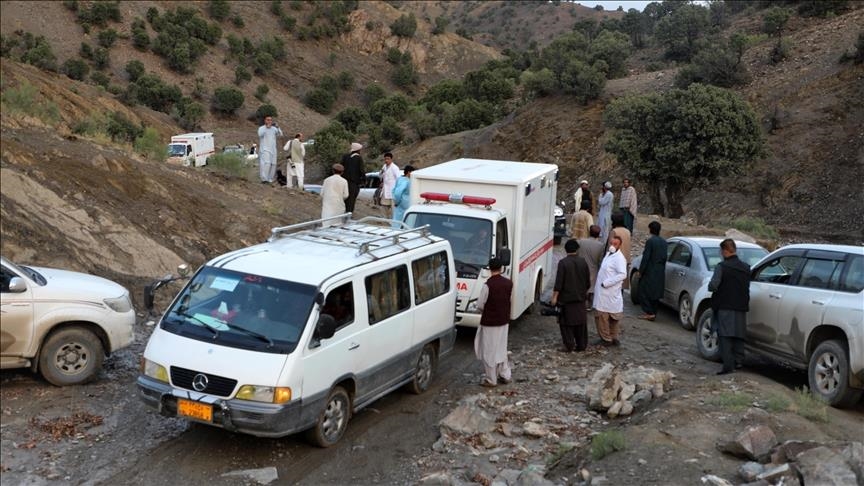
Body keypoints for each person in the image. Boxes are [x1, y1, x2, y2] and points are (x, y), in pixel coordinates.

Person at [708, 239, 750, 375]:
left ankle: (728, 366)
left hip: (725, 305)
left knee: (725, 335)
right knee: (738, 334)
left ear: (725, 251)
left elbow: (713, 285)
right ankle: (738, 361)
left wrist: (711, 287)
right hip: (741, 306)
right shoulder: (746, 267)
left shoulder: (722, 267)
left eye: (721, 251)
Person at [475, 257, 513, 388]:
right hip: (504, 321)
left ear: (489, 269)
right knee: (501, 348)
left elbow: (480, 304)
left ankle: (491, 379)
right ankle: (505, 374)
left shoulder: (487, 285)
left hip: (490, 322)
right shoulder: (509, 283)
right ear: (502, 268)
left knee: (489, 350)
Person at [551, 239, 591, 352]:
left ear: (565, 250)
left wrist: (554, 298)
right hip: (580, 300)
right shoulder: (583, 262)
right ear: (577, 250)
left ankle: (569, 345)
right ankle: (581, 345)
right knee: (581, 324)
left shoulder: (563, 263)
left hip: (566, 301)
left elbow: (558, 283)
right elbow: (588, 282)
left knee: (566, 324)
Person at [593, 235, 627, 346]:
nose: (612, 246)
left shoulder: (619, 258)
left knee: (608, 317)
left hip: (609, 290)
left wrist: (607, 283)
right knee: (605, 316)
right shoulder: (609, 254)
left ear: (620, 245)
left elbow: (623, 274)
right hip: (604, 292)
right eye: (611, 243)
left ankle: (608, 338)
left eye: (615, 244)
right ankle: (610, 337)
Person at [637, 221, 666, 321]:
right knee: (655, 293)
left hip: (650, 270)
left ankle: (649, 312)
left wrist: (641, 271)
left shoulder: (650, 241)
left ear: (651, 230)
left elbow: (646, 257)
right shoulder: (664, 242)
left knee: (643, 290)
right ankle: (653, 312)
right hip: (660, 270)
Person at [577, 225, 605, 310]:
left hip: (580, 267)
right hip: (593, 269)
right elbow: (600, 259)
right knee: (591, 288)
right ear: (598, 234)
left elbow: (577, 253)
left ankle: (579, 302)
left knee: (580, 285)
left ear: (589, 232)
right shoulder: (601, 245)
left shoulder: (581, 241)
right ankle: (588, 304)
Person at [608, 211, 632, 292]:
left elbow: (610, 248)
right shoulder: (627, 231)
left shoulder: (614, 231)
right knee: (621, 285)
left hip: (615, 261)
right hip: (625, 260)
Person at [257, 116, 283, 184]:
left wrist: (278, 127)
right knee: (266, 163)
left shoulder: (274, 129)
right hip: (265, 149)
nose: (269, 121)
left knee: (273, 164)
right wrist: (266, 128)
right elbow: (260, 134)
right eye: (268, 120)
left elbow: (280, 135)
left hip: (273, 149)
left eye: (270, 120)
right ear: (265, 121)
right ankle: (264, 179)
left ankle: (270, 179)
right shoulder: (261, 128)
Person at [342, 142, 365, 213]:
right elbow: (361, 170)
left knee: (344, 199)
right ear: (357, 150)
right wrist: (363, 180)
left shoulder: (345, 156)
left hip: (344, 182)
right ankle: (348, 215)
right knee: (351, 201)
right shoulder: (358, 158)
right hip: (353, 183)